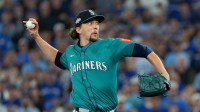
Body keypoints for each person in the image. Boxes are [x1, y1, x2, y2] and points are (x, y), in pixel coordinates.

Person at [23, 9, 170, 112]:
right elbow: (58, 59)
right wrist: (36, 36)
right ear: (78, 29)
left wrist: (165, 75)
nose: (95, 26)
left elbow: (145, 51)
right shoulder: (71, 52)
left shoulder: (110, 45)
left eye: (97, 23)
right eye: (90, 23)